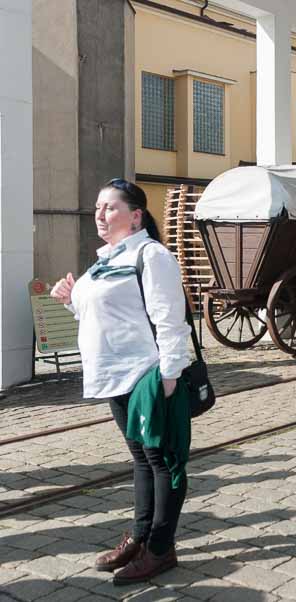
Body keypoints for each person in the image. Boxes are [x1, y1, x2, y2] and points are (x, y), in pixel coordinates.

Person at [50, 178, 191, 585]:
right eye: (98, 206)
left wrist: (168, 376)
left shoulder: (151, 255)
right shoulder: (105, 259)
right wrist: (71, 298)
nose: (100, 213)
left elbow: (170, 320)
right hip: (113, 377)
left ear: (135, 216)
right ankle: (142, 537)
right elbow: (102, 315)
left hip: (145, 375)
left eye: (110, 207)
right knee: (142, 461)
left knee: (163, 462)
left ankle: (161, 549)